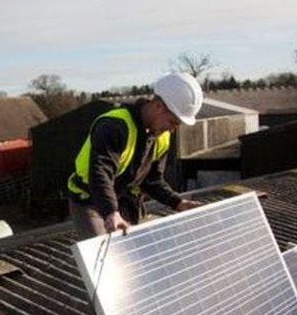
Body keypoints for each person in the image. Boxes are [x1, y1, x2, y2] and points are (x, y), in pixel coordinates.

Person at [67, 72, 205, 239]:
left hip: (124, 199)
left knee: (132, 253)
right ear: (159, 106)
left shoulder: (162, 137)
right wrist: (111, 212)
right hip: (90, 200)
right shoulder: (114, 126)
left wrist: (177, 202)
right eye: (172, 121)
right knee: (101, 251)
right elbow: (100, 173)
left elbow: (152, 180)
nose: (172, 129)